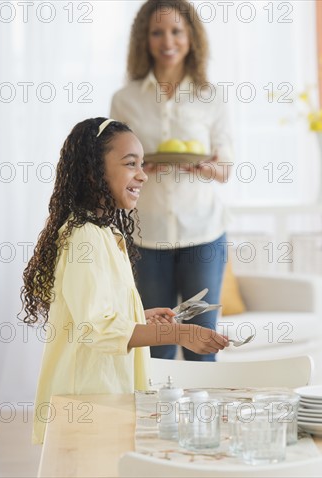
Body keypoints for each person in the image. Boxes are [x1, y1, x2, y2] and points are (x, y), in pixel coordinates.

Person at [19, 118, 228, 444]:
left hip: (104, 395)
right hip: (87, 401)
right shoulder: (84, 239)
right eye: (131, 164)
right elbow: (95, 328)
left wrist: (140, 318)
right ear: (93, 171)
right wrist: (179, 332)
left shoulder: (105, 232)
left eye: (142, 164)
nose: (143, 174)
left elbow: (95, 314)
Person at [110, 0, 233, 362]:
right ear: (143, 39)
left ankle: (203, 417)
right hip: (146, 236)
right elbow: (115, 167)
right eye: (157, 32)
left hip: (204, 233)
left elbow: (224, 167)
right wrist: (140, 165)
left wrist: (203, 167)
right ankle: (156, 417)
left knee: (203, 341)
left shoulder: (210, 96)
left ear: (191, 37)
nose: (168, 40)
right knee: (156, 345)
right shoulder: (125, 99)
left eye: (177, 31)